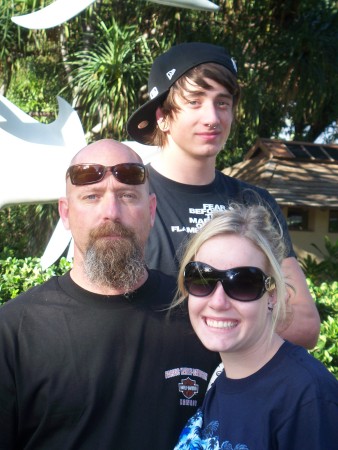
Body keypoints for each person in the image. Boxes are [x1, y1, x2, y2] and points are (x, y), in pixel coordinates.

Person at [0, 139, 220, 450]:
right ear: (65, 213)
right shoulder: (14, 331)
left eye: (128, 196)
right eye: (91, 197)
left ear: (151, 210)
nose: (111, 212)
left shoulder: (198, 312)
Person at [126, 41, 320, 349]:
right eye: (195, 102)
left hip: (239, 392)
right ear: (162, 116)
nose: (213, 118)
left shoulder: (255, 203)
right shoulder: (126, 199)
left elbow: (305, 325)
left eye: (222, 103)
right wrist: (245, 302)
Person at [172, 203, 338, 450]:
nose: (217, 302)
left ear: (271, 295)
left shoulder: (306, 397)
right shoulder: (221, 378)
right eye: (202, 279)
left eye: (243, 283)